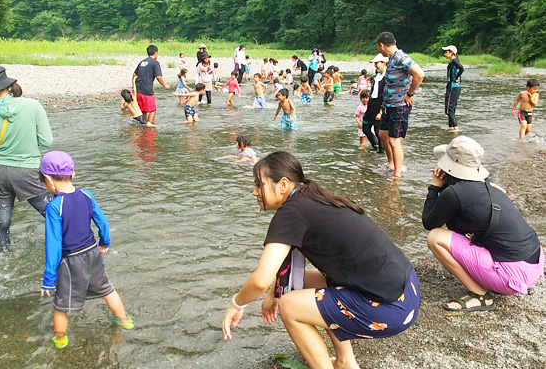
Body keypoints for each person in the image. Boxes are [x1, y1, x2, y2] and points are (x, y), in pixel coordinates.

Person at [221, 152, 420, 369]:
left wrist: (236, 304)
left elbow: (260, 280)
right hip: (407, 289)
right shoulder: (311, 196)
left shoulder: (290, 213)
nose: (254, 192)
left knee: (289, 306)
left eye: (259, 185)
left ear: (283, 184)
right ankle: (345, 362)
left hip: (388, 308)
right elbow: (293, 265)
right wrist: (275, 292)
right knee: (308, 282)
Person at [422, 136, 543, 312]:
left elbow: (429, 223)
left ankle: (479, 295)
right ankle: (492, 281)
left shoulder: (455, 194)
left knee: (435, 238)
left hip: (514, 275)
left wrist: (435, 186)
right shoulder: (491, 187)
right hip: (534, 263)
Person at [39, 151, 133, 349]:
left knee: (60, 305)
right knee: (107, 289)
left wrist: (48, 280)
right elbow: (102, 221)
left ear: (47, 178)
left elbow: (54, 245)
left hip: (71, 260)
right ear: (73, 174)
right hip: (93, 252)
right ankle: (124, 320)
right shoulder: (86, 195)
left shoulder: (54, 207)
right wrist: (104, 242)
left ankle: (60, 337)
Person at [0, 64, 54, 249]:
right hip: (28, 174)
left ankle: (3, 258)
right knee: (55, 215)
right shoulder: (33, 105)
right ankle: (68, 253)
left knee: (2, 227)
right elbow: (46, 141)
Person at [376, 32, 425, 180]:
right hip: (389, 104)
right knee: (382, 134)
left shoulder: (401, 58)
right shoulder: (391, 59)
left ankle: (397, 174)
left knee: (394, 140)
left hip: (399, 105)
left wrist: (410, 94)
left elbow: (420, 74)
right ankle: (390, 162)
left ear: (381, 45)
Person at [132, 45, 171, 125]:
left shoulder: (142, 62)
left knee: (143, 110)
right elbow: (158, 77)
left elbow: (134, 74)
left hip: (138, 90)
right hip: (147, 90)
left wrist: (133, 86)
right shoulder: (155, 63)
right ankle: (149, 128)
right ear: (156, 53)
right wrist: (165, 85)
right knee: (152, 110)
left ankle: (143, 126)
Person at [362, 54, 388, 153]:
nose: (375, 65)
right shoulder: (377, 75)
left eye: (377, 63)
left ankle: (382, 149)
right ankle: (376, 145)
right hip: (372, 103)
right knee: (366, 127)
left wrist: (381, 111)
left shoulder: (387, 77)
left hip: (380, 104)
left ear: (384, 63)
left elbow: (386, 95)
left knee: (378, 129)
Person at [442, 46, 464, 132]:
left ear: (451, 53)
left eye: (446, 52)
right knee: (451, 109)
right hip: (451, 87)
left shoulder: (455, 61)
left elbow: (462, 68)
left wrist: (457, 77)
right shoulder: (452, 62)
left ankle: (456, 128)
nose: (444, 53)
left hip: (454, 87)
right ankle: (451, 128)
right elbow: (449, 78)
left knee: (449, 109)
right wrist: (446, 90)